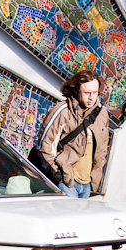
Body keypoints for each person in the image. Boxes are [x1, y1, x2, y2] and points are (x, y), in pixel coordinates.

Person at [38, 70, 111, 199]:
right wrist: (60, 178)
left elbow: (102, 151)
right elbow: (44, 147)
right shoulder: (62, 111)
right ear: (76, 90)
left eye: (95, 92)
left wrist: (95, 182)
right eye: (87, 93)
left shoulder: (102, 115)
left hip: (87, 185)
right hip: (67, 183)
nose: (91, 97)